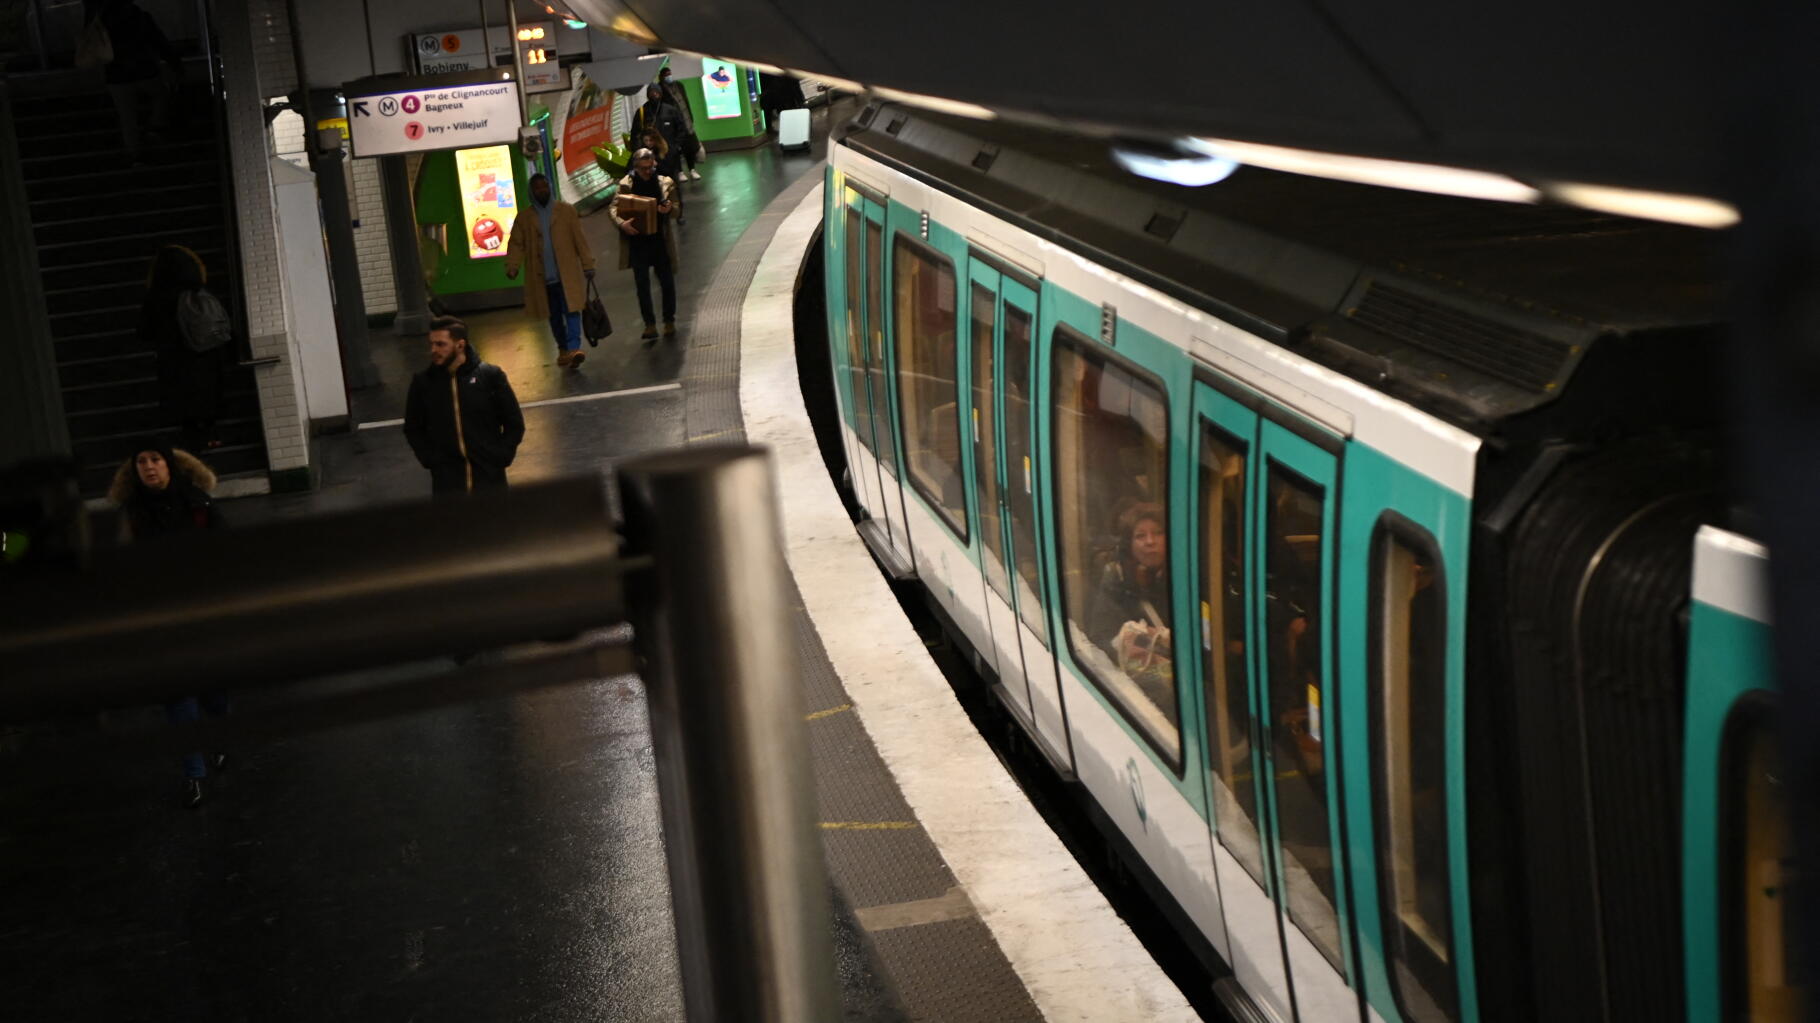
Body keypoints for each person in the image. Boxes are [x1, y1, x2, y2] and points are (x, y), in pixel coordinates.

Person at [109, 443, 228, 807]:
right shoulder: (128, 518)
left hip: (201, 614)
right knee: (178, 697)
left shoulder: (199, 505)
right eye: (141, 461)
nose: (149, 466)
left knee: (212, 691)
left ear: (170, 465)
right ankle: (194, 774)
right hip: (159, 621)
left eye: (156, 459)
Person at [403, 317, 525, 495]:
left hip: (490, 481)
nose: (433, 350)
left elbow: (514, 422)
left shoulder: (490, 377)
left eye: (440, 344)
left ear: (460, 345)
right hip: (447, 485)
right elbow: (413, 428)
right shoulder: (423, 383)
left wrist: (502, 456)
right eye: (432, 344)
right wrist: (430, 460)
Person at [139, 245, 229, 452]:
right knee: (207, 396)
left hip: (173, 360)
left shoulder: (155, 298)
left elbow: (144, 332)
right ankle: (212, 434)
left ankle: (192, 441)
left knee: (184, 403)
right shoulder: (199, 293)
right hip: (205, 357)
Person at [504, 173, 596, 369]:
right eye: (537, 188)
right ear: (531, 192)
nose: (542, 190)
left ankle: (574, 348)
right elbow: (516, 244)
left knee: (572, 310)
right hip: (543, 278)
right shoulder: (524, 218)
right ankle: (563, 349)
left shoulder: (566, 211)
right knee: (553, 315)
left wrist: (588, 264)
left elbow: (579, 239)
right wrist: (512, 266)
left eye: (544, 186)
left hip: (566, 274)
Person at [91, 0, 182, 164]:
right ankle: (155, 127)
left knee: (127, 118)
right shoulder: (139, 17)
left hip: (117, 75)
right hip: (143, 69)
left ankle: (135, 156)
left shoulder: (101, 20)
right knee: (162, 94)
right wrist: (175, 63)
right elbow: (159, 41)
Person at [1087, 502, 1173, 674]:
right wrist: (1121, 643)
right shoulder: (1117, 578)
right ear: (1129, 545)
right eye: (1140, 536)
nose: (1150, 542)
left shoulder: (1186, 574)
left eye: (1158, 533)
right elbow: (1099, 638)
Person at [610, 149, 680, 341]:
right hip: (637, 241)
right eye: (644, 168)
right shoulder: (626, 185)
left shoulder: (664, 183)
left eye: (650, 167)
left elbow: (676, 209)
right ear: (636, 167)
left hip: (659, 239)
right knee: (642, 285)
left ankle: (669, 320)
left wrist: (669, 209)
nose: (648, 171)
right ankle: (649, 324)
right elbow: (614, 208)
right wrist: (622, 224)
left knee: (667, 281)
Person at [655, 67, 703, 181]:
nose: (669, 76)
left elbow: (685, 103)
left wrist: (690, 119)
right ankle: (680, 171)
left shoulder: (679, 85)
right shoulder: (660, 89)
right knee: (676, 149)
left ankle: (692, 169)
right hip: (672, 124)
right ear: (662, 76)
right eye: (666, 75)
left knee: (689, 147)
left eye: (670, 74)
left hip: (686, 121)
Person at [632, 84, 688, 165]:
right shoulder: (642, 112)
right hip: (649, 155)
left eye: (656, 92)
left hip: (669, 154)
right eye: (651, 92)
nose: (654, 94)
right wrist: (639, 151)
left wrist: (675, 147)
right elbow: (635, 133)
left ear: (660, 94)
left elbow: (681, 129)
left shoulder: (670, 110)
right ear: (648, 95)